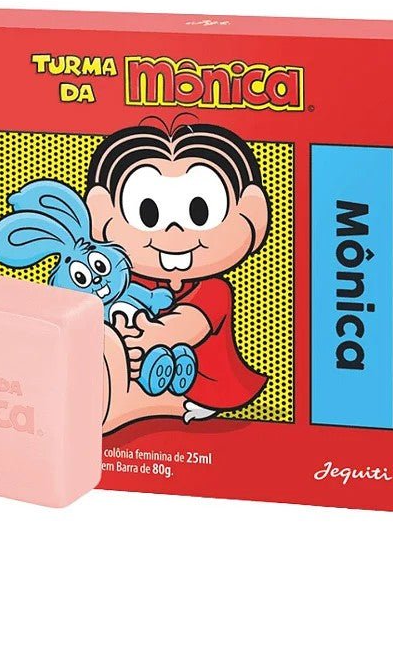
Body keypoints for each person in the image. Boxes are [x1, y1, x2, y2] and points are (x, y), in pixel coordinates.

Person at [85, 120, 270, 433]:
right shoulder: (132, 281)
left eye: (200, 212)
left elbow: (187, 324)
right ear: (103, 216)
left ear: (251, 214)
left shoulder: (213, 290)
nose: (173, 231)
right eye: (148, 214)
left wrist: (149, 336)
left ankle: (158, 399)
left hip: (203, 380)